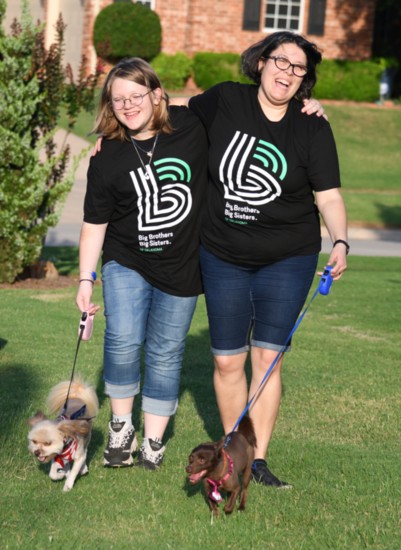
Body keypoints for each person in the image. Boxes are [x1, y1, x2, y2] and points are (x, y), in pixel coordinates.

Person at [172, 31, 348, 487]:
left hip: (289, 256)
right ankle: (233, 451)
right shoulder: (226, 100)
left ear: (306, 81)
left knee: (268, 359)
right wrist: (113, 137)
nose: (286, 73)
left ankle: (260, 458)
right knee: (228, 361)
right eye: (280, 61)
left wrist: (341, 242)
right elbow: (168, 118)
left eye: (298, 69)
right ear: (261, 61)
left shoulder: (312, 125)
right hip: (223, 253)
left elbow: (327, 196)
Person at [76, 58, 208, 470]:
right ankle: (121, 428)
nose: (128, 105)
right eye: (119, 99)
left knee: (167, 352)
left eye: (137, 95)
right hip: (125, 260)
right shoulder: (106, 155)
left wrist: (307, 107)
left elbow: (246, 105)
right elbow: (94, 225)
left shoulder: (191, 126)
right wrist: (85, 279)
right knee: (122, 339)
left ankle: (152, 441)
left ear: (156, 94)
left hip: (182, 265)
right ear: (109, 105)